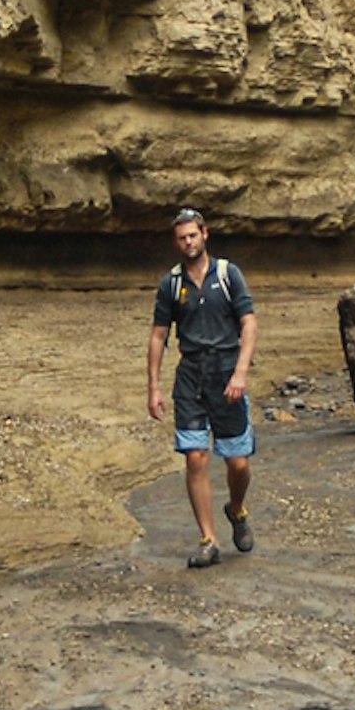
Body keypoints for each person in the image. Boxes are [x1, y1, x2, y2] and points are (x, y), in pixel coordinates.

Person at [144, 204, 257, 569]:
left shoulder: (228, 274)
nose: (188, 242)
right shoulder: (171, 284)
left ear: (205, 235)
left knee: (237, 462)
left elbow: (250, 324)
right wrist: (154, 388)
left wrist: (241, 373)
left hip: (226, 370)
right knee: (196, 456)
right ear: (176, 242)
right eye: (182, 238)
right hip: (191, 375)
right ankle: (208, 539)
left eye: (193, 235)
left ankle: (236, 509)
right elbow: (159, 336)